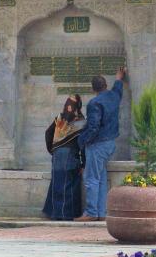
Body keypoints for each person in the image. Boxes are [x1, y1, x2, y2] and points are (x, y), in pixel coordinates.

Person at [75, 67, 126, 221]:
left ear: (93, 89)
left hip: (98, 145)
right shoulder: (114, 96)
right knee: (101, 178)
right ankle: (101, 213)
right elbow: (118, 87)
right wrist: (119, 77)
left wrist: (81, 141)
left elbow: (93, 127)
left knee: (91, 178)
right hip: (110, 144)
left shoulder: (94, 103)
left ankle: (91, 212)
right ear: (105, 85)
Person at [43, 95, 86, 220]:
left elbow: (48, 133)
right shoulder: (80, 121)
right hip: (71, 156)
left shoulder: (60, 118)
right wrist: (83, 163)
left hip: (57, 155)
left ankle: (55, 214)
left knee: (57, 183)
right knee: (70, 184)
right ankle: (67, 214)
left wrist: (52, 149)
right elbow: (82, 144)